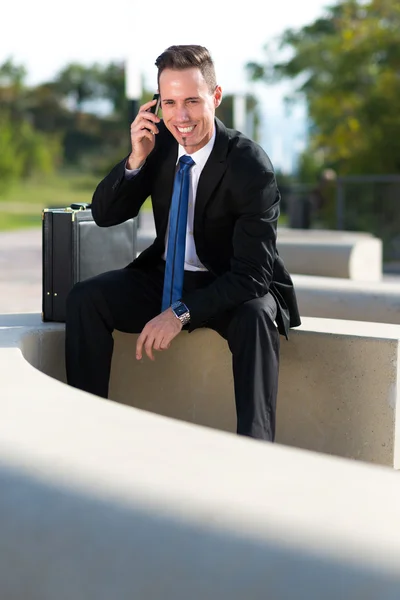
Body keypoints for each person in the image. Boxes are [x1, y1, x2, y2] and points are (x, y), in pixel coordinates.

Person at [65, 45, 301, 441]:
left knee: (257, 318)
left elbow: (253, 275)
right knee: (85, 298)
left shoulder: (248, 165)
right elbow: (105, 214)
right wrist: (135, 159)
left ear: (216, 97)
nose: (182, 116)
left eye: (192, 101)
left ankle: (257, 452)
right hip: (168, 275)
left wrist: (178, 313)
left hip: (232, 285)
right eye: (170, 103)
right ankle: (85, 437)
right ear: (157, 105)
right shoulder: (159, 148)